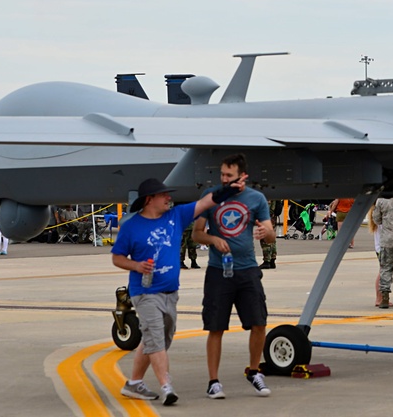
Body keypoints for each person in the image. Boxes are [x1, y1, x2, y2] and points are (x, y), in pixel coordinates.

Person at [112, 177, 234, 405]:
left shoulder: (176, 216)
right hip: (145, 292)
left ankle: (133, 383)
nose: (169, 198)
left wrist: (228, 189)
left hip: (170, 293)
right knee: (156, 338)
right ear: (150, 200)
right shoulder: (131, 227)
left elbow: (206, 203)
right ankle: (167, 387)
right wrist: (136, 266)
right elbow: (117, 258)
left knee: (158, 339)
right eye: (164, 195)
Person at [192, 153, 275, 400]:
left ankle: (254, 372)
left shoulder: (256, 199)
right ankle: (214, 381)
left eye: (229, 175)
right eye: (222, 175)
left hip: (247, 269)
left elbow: (270, 235)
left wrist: (266, 231)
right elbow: (197, 234)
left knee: (259, 322)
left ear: (243, 176)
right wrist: (214, 239)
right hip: (219, 270)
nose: (224, 180)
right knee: (216, 326)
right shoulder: (212, 197)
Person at [259, 199, 279, 269]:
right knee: (272, 239)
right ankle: (272, 260)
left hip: (267, 218)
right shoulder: (275, 193)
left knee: (265, 238)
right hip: (272, 217)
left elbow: (266, 209)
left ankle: (267, 260)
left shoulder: (268, 195)